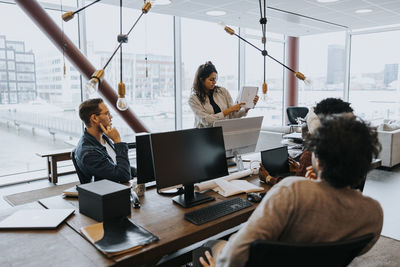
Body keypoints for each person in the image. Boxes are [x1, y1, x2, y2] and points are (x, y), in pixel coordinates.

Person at [199, 116, 383, 267]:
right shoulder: (373, 213)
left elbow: (234, 256)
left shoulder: (292, 190)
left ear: (317, 160)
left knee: (210, 246)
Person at [74, 98, 136, 184]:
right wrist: (117, 141)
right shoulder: (88, 153)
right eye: (107, 113)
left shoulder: (104, 139)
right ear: (94, 118)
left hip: (120, 189)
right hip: (110, 194)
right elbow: (123, 176)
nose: (111, 117)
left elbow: (120, 166)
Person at [189, 61, 259, 128]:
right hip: (204, 135)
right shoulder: (193, 99)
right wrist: (229, 110)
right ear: (201, 80)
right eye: (211, 79)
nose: (214, 82)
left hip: (223, 131)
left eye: (215, 79)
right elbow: (206, 121)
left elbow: (233, 115)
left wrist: (246, 109)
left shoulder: (222, 91)